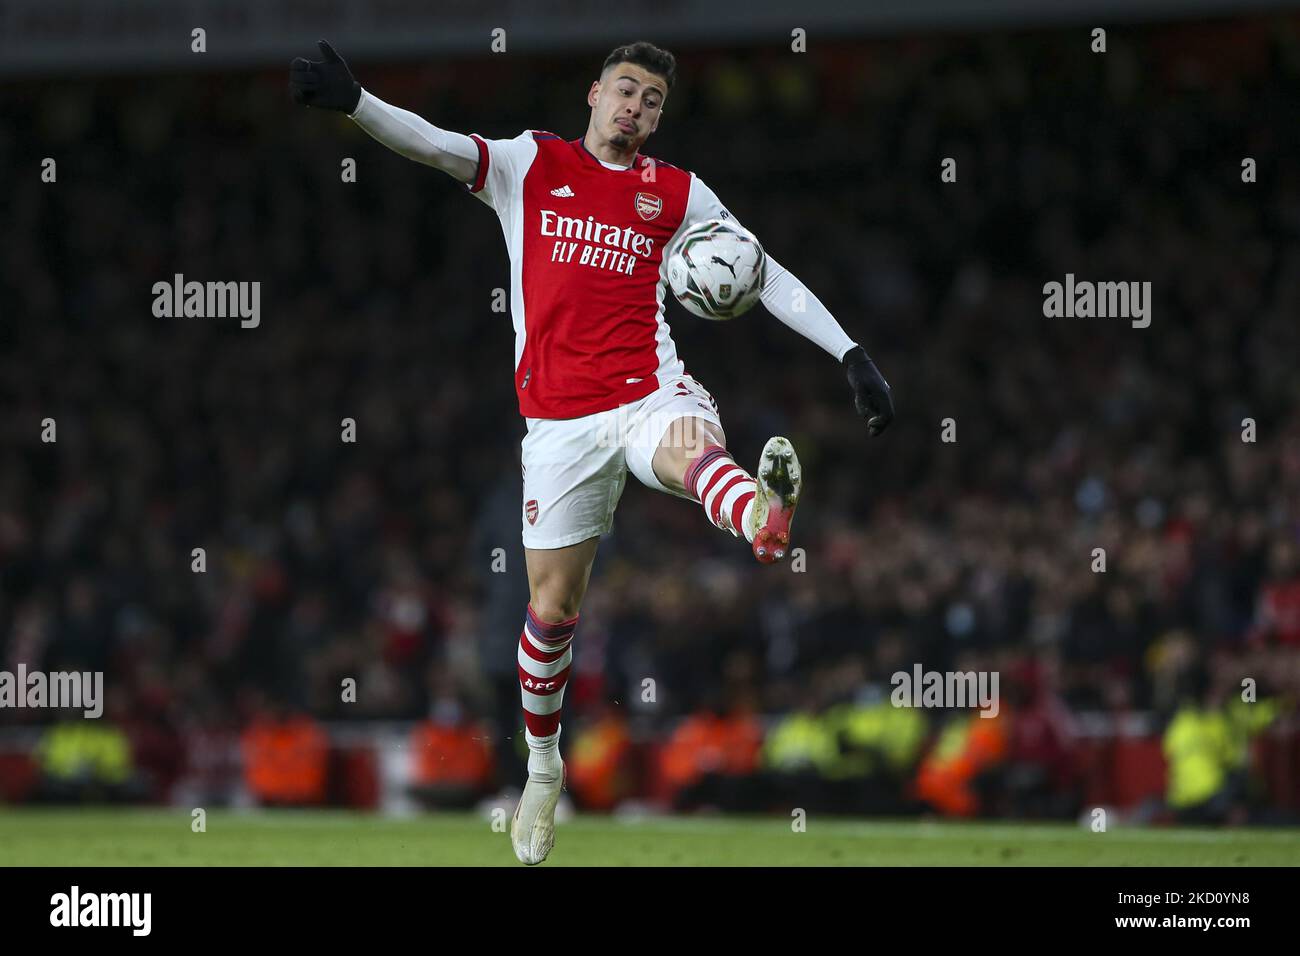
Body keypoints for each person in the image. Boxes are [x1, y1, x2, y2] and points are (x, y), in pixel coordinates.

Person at [290, 39, 895, 864]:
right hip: (560, 426)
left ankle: (759, 514)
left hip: (650, 393)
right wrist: (358, 103)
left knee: (691, 450)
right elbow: (434, 144)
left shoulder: (677, 193)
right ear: (594, 94)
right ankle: (542, 771)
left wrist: (850, 353)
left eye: (652, 99)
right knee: (553, 611)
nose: (636, 107)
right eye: (626, 90)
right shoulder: (529, 164)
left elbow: (767, 272)